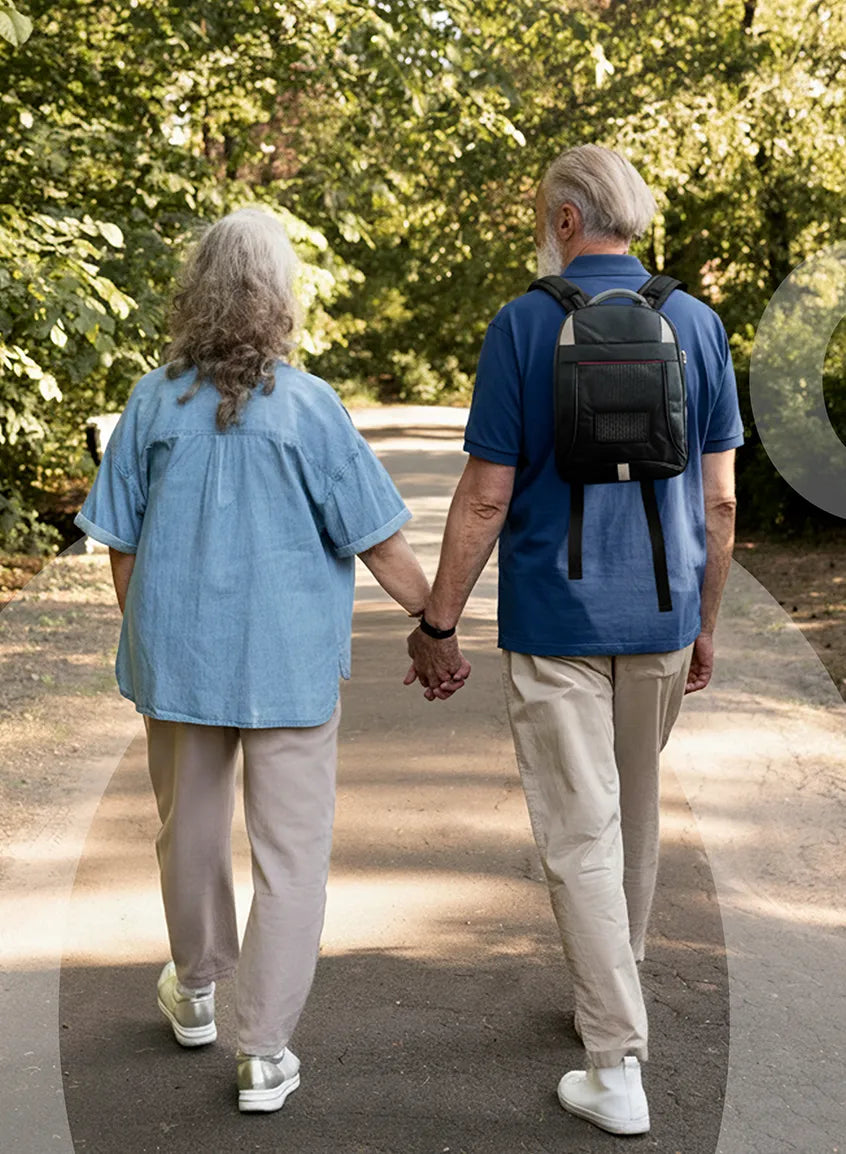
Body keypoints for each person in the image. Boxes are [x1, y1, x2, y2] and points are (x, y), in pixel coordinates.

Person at [74, 207, 442, 1114]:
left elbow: (119, 542)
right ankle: (263, 1052)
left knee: (188, 837)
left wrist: (153, 633)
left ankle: (196, 991)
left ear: (196, 290)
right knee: (292, 856)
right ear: (279, 298)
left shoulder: (152, 400)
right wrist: (439, 623)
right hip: (287, 672)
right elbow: (380, 542)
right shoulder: (311, 405)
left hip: (182, 669)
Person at [406, 144, 742, 1135]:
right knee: (631, 816)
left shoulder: (521, 325)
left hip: (558, 620)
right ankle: (614, 994)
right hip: (666, 619)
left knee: (578, 831)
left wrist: (439, 621)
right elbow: (720, 501)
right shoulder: (698, 323)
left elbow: (484, 494)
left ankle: (615, 1060)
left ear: (563, 220)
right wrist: (707, 621)